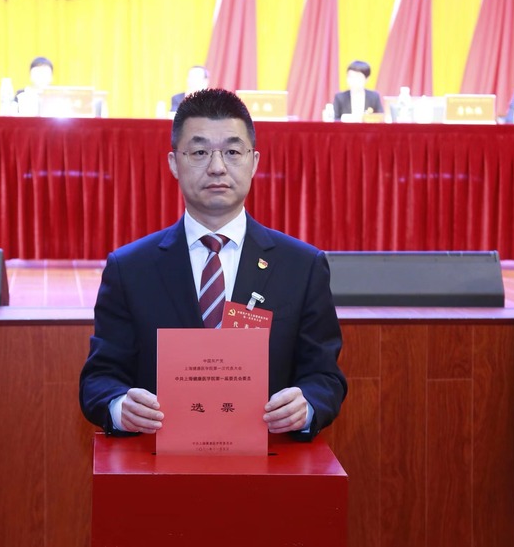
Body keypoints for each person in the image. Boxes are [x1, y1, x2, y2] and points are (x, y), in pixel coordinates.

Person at [79, 88, 347, 440]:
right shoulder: (130, 268)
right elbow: (100, 377)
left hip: (269, 458)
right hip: (157, 459)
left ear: (254, 162)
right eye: (200, 152)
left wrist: (307, 404)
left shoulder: (302, 266)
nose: (217, 167)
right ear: (174, 163)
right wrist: (119, 407)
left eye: (232, 152)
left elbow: (325, 376)